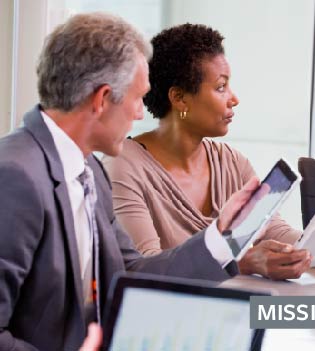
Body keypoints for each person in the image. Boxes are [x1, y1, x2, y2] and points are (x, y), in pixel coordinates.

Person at [0, 13, 262, 351]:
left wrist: (220, 237)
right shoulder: (15, 176)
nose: (141, 113)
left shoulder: (89, 170)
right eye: (138, 98)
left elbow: (133, 273)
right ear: (102, 99)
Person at [102, 23, 315, 279]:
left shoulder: (231, 162)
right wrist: (244, 262)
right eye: (221, 87)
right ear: (179, 98)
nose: (234, 99)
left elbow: (274, 231)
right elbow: (145, 268)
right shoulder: (124, 165)